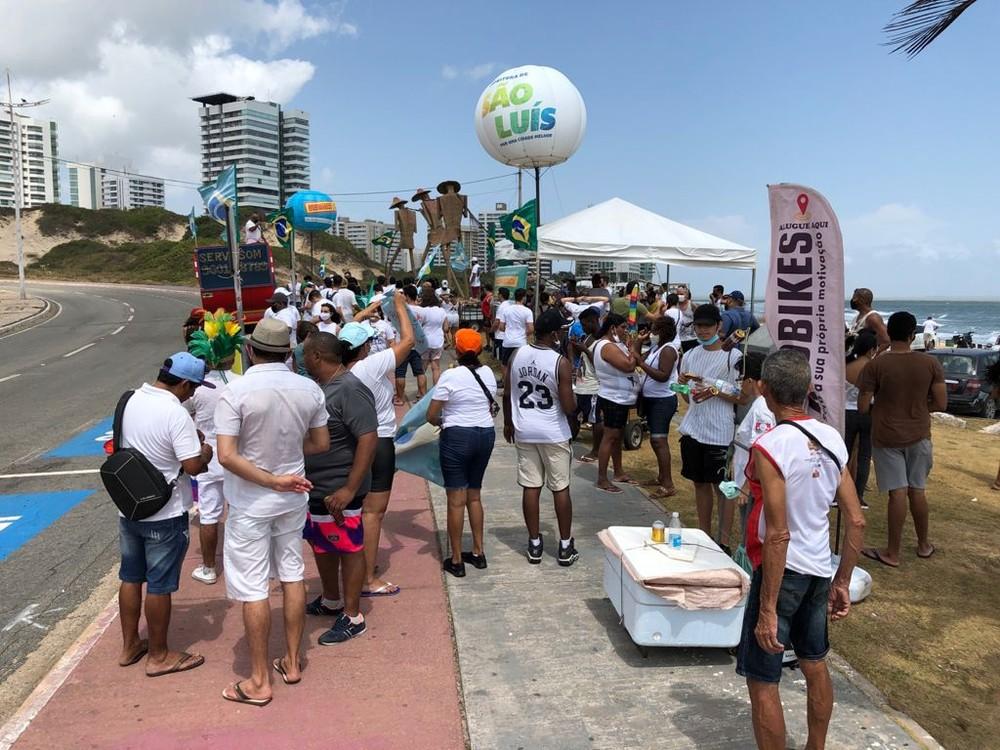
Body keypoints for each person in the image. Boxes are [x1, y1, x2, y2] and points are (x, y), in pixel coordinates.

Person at [737, 349, 866, 750]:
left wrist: (769, 609)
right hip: (818, 569)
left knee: (763, 679)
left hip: (782, 571)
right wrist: (842, 579)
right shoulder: (831, 437)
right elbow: (856, 519)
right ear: (808, 389)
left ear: (763, 390)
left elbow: (777, 533)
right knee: (814, 663)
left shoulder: (770, 445)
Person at [214, 318, 330, 705]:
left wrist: (269, 478)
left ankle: (259, 680)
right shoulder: (309, 389)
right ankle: (293, 662)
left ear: (250, 350)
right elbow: (320, 443)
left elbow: (227, 456)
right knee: (293, 574)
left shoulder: (236, 391)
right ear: (288, 352)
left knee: (253, 586)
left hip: (252, 500)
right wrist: (286, 468)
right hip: (293, 494)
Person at [116, 353, 214, 676]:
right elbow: (193, 467)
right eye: (193, 388)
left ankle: (130, 645)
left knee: (130, 577)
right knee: (159, 585)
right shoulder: (175, 413)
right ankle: (158, 656)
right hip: (164, 512)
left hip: (130, 507)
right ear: (184, 384)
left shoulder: (131, 399)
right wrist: (206, 451)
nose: (193, 394)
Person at [301, 332, 379, 644]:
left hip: (340, 488)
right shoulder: (322, 387)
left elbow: (368, 438)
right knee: (322, 543)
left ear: (317, 357)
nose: (301, 358)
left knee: (348, 547)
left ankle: (353, 615)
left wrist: (350, 487)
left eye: (305, 353)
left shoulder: (349, 389)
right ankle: (332, 598)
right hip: (319, 487)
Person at [858, 311, 946, 567]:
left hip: (886, 435)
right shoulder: (929, 364)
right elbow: (941, 402)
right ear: (912, 335)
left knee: (897, 493)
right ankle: (923, 544)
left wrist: (884, 407)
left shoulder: (876, 365)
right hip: (919, 433)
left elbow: (863, 406)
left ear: (888, 332)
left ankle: (892, 552)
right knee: (917, 490)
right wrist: (919, 408)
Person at [345, 296, 416, 596]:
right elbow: (409, 340)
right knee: (373, 513)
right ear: (363, 348)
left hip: (347, 443)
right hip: (379, 441)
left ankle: (349, 570)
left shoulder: (336, 370)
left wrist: (364, 313)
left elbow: (348, 330)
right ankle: (367, 579)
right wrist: (399, 305)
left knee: (349, 510)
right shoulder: (370, 366)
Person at [504, 309, 579, 566]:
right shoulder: (560, 362)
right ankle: (565, 545)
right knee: (560, 487)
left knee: (531, 486)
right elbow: (569, 406)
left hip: (525, 428)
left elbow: (507, 392)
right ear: (554, 334)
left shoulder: (517, 354)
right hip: (553, 431)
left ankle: (534, 543)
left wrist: (507, 423)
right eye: (561, 330)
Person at [427, 329, 498, 577]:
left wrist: (442, 422)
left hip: (458, 437)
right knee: (474, 496)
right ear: (478, 350)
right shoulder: (488, 372)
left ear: (456, 350)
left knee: (456, 500)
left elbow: (431, 414)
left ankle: (456, 559)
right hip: (485, 435)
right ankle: (478, 552)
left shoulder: (450, 375)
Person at [676, 304, 744, 548]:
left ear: (719, 326)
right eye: (699, 326)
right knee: (700, 483)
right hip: (694, 428)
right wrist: (683, 384)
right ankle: (704, 535)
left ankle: (723, 540)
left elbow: (742, 395)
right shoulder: (691, 354)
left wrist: (713, 388)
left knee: (725, 488)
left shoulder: (733, 356)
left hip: (720, 432)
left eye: (707, 326)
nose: (703, 330)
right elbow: (686, 396)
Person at [187, 317, 245, 586]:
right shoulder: (242, 383)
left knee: (209, 516)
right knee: (241, 513)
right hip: (238, 459)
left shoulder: (195, 388)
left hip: (209, 459)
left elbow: (183, 416)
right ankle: (243, 565)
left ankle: (209, 568)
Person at [631, 316, 680, 499]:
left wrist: (642, 363)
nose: (651, 333)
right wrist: (638, 341)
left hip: (663, 401)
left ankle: (668, 484)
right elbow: (637, 359)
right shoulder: (655, 348)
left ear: (662, 331)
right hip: (652, 399)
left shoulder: (668, 350)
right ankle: (661, 477)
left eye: (654, 329)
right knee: (654, 440)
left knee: (660, 440)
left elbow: (663, 376)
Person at [592, 313, 639, 493]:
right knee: (610, 436)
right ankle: (602, 478)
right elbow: (628, 366)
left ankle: (618, 471)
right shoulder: (607, 346)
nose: (625, 331)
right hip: (614, 398)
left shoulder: (611, 344)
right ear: (613, 328)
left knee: (617, 436)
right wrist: (634, 348)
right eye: (623, 327)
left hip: (620, 397)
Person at [844, 330, 878, 509]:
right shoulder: (873, 367)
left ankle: (837, 493)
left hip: (846, 413)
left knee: (844, 454)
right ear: (872, 349)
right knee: (864, 456)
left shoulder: (846, 364)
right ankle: (858, 495)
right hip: (868, 412)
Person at [570, 307, 604, 464]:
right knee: (572, 413)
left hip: (594, 386)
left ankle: (596, 451)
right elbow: (578, 354)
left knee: (595, 419)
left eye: (584, 324)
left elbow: (600, 364)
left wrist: (584, 349)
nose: (582, 327)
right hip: (582, 384)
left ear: (592, 321)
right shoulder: (588, 337)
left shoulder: (601, 341)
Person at [394, 285, 428, 404]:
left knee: (400, 373)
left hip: (403, 344)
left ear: (407, 296)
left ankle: (400, 398)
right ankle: (423, 395)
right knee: (420, 372)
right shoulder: (422, 311)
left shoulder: (401, 310)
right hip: (417, 345)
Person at [417, 289, 450, 386]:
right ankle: (435, 391)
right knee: (436, 368)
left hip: (425, 342)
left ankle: (421, 393)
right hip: (438, 341)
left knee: (422, 369)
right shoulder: (442, 311)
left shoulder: (423, 311)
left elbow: (418, 326)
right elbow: (446, 328)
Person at [498, 287, 534, 363]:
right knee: (519, 365)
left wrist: (508, 330)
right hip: (521, 343)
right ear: (524, 297)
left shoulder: (506, 310)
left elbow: (501, 327)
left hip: (507, 342)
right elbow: (531, 329)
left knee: (505, 364)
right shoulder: (528, 311)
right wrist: (524, 334)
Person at [492, 287, 513, 370]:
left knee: (502, 361)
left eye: (498, 294)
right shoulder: (510, 305)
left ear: (500, 295)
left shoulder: (502, 307)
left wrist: (491, 330)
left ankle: (504, 379)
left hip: (500, 336)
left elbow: (497, 322)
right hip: (508, 336)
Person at [675, 284, 697, 353]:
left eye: (681, 294)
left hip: (692, 338)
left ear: (687, 295)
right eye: (677, 294)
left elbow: (699, 318)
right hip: (678, 338)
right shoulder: (675, 305)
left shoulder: (692, 305)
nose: (679, 296)